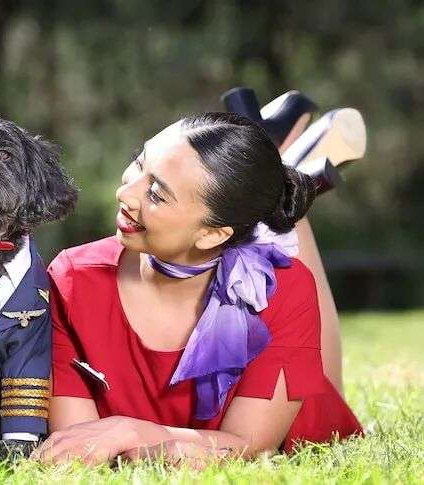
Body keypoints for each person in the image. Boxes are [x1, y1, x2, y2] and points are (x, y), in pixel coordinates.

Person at [37, 112, 362, 465]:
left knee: (309, 341)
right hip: (226, 232)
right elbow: (77, 444)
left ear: (211, 234)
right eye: (138, 162)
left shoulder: (279, 285)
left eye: (157, 194)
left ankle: (285, 173)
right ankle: (274, 162)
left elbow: (248, 444)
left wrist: (131, 432)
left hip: (287, 417)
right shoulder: (72, 277)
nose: (124, 193)